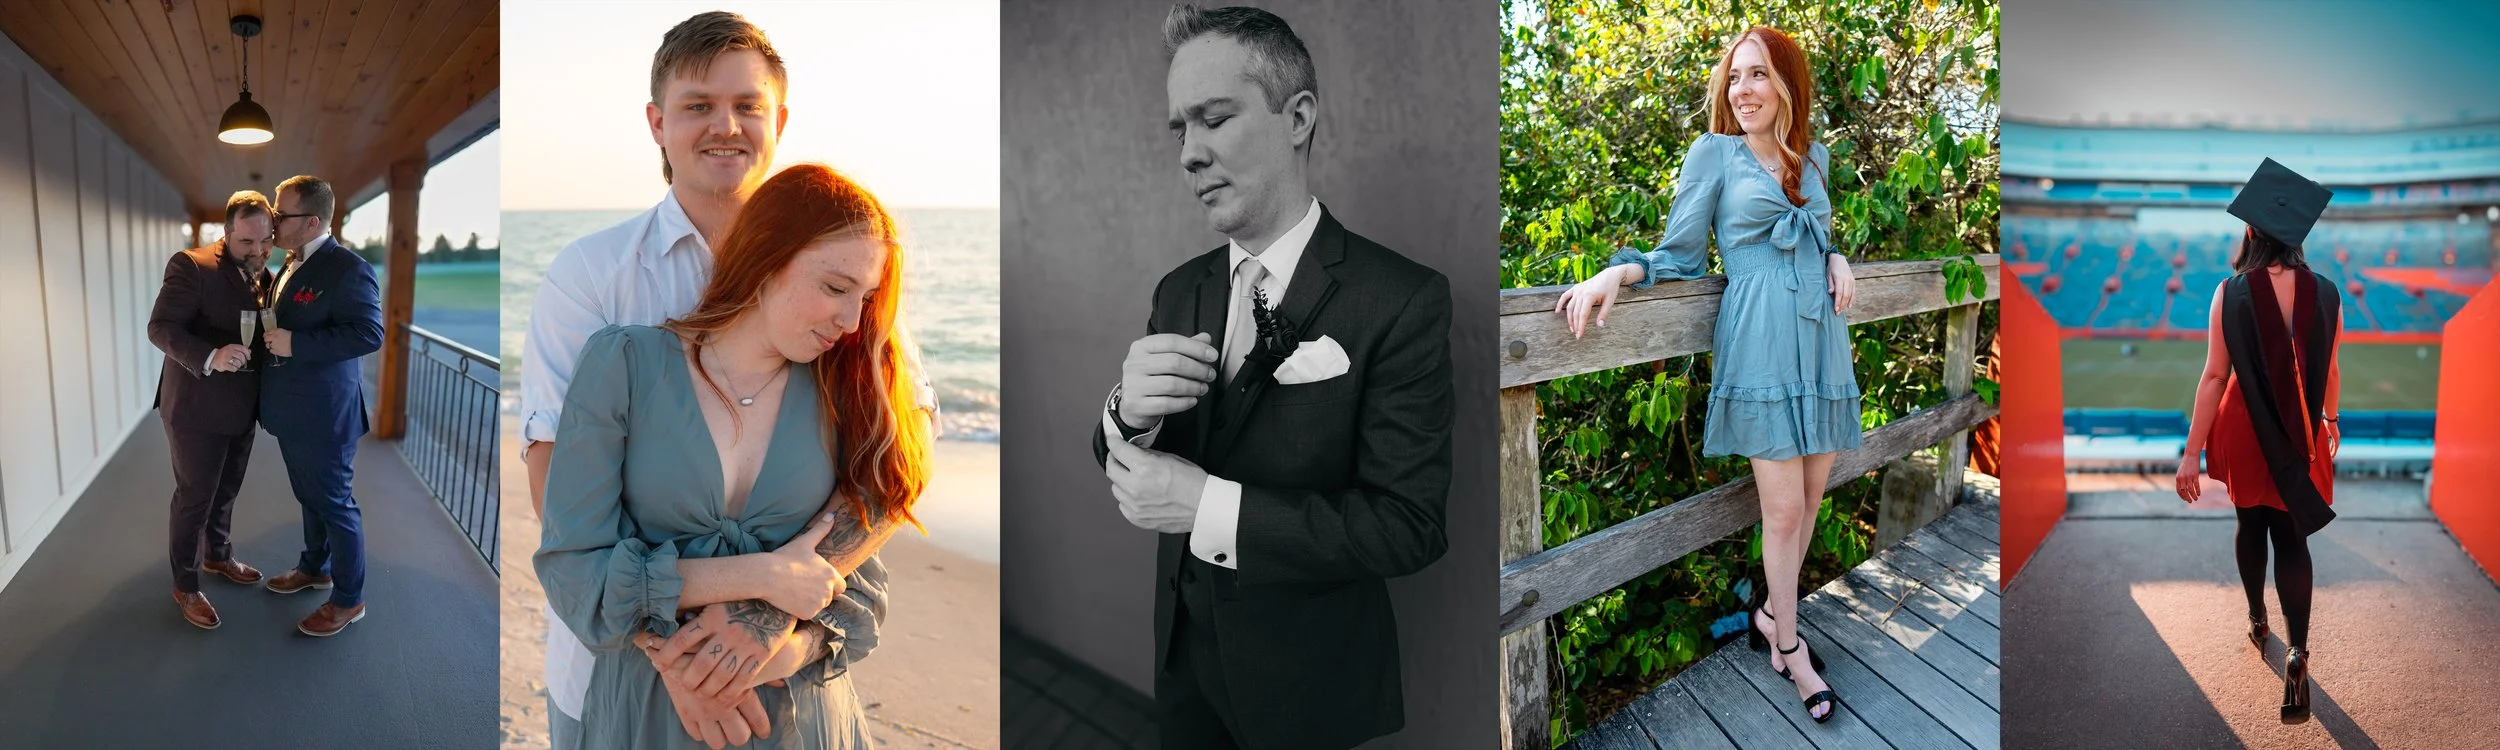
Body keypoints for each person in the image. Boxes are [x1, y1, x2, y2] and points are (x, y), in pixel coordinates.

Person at [519, 12, 930, 746]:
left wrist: (772, 626)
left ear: (780, 121)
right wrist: (680, 659)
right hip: (620, 676)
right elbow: (557, 485)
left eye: (748, 105)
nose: (726, 126)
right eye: (699, 105)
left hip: (791, 695)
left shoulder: (841, 284)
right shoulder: (593, 276)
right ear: (658, 123)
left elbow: (896, 460)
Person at [1089, 6, 1455, 748]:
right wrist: (1127, 414)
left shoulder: (1401, 298)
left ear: (1298, 117)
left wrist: (1207, 506)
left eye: (1214, 118)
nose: (1190, 154)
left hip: (1307, 688)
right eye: (1179, 130)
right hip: (1183, 662)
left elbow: (1408, 528)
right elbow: (1120, 455)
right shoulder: (1178, 290)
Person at [1550, 25, 1858, 723]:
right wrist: (1617, 273)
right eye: (1734, 77)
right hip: (1760, 341)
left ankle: (1771, 617)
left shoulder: (1813, 158)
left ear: (1787, 84)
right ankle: (1790, 646)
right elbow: (1682, 253)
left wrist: (1837, 258)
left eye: (1758, 74)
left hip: (1820, 339)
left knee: (1812, 499)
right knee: (1783, 510)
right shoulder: (1713, 154)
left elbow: (1820, 238)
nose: (1742, 90)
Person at [2174, 157, 2342, 724]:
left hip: (2245, 431)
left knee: (2251, 526)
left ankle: (2257, 619)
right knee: (2293, 539)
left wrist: (2191, 452)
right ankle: (2298, 651)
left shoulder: (2231, 292)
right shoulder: (2328, 293)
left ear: (2250, 228)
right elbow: (2331, 369)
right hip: (2304, 433)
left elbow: (2214, 377)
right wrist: (2331, 420)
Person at [256, 174, 385, 637]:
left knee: (335, 504)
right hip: (292, 410)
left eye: (281, 213)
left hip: (325, 414)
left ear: (312, 222)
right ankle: (315, 568)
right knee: (310, 496)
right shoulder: (290, 262)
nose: (273, 220)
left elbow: (369, 333)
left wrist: (297, 343)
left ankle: (349, 600)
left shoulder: (348, 269)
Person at [145, 190, 279, 630]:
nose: (258, 251)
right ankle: (185, 584)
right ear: (226, 232)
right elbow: (160, 327)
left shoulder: (266, 274)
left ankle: (218, 556)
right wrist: (210, 356)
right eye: (247, 242)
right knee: (194, 498)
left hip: (242, 409)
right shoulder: (191, 265)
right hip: (195, 408)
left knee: (226, 491)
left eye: (266, 241)